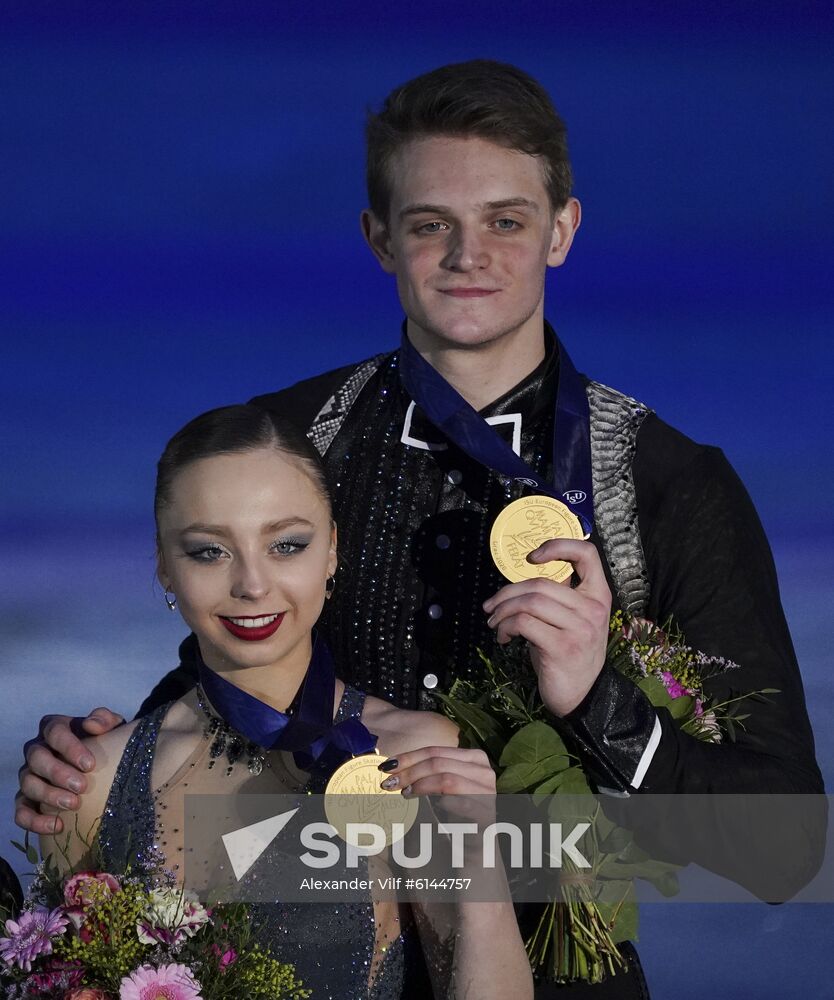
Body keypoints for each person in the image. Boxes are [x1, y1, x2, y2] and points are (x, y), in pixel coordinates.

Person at [16, 60, 823, 996]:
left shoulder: (667, 485)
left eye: (506, 221)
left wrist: (601, 699)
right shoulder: (294, 440)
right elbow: (232, 656)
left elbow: (786, 853)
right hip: (299, 967)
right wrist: (102, 762)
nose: (466, 254)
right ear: (379, 239)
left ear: (563, 230)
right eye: (431, 223)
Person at [38, 403, 533, 1000]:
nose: (251, 584)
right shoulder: (91, 780)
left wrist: (481, 866)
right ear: (165, 567)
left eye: (288, 544)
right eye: (208, 551)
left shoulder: (414, 756)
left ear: (331, 553)